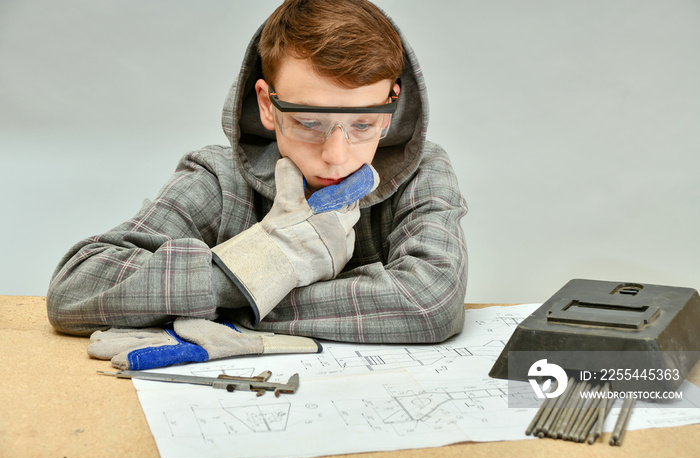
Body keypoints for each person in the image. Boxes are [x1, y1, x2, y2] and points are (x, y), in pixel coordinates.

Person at [47, 0, 468, 345]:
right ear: (268, 105)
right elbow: (74, 288)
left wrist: (244, 296)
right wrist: (267, 260)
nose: (337, 156)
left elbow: (430, 303)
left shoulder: (424, 172)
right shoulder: (218, 177)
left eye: (363, 123)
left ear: (392, 106)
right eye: (308, 122)